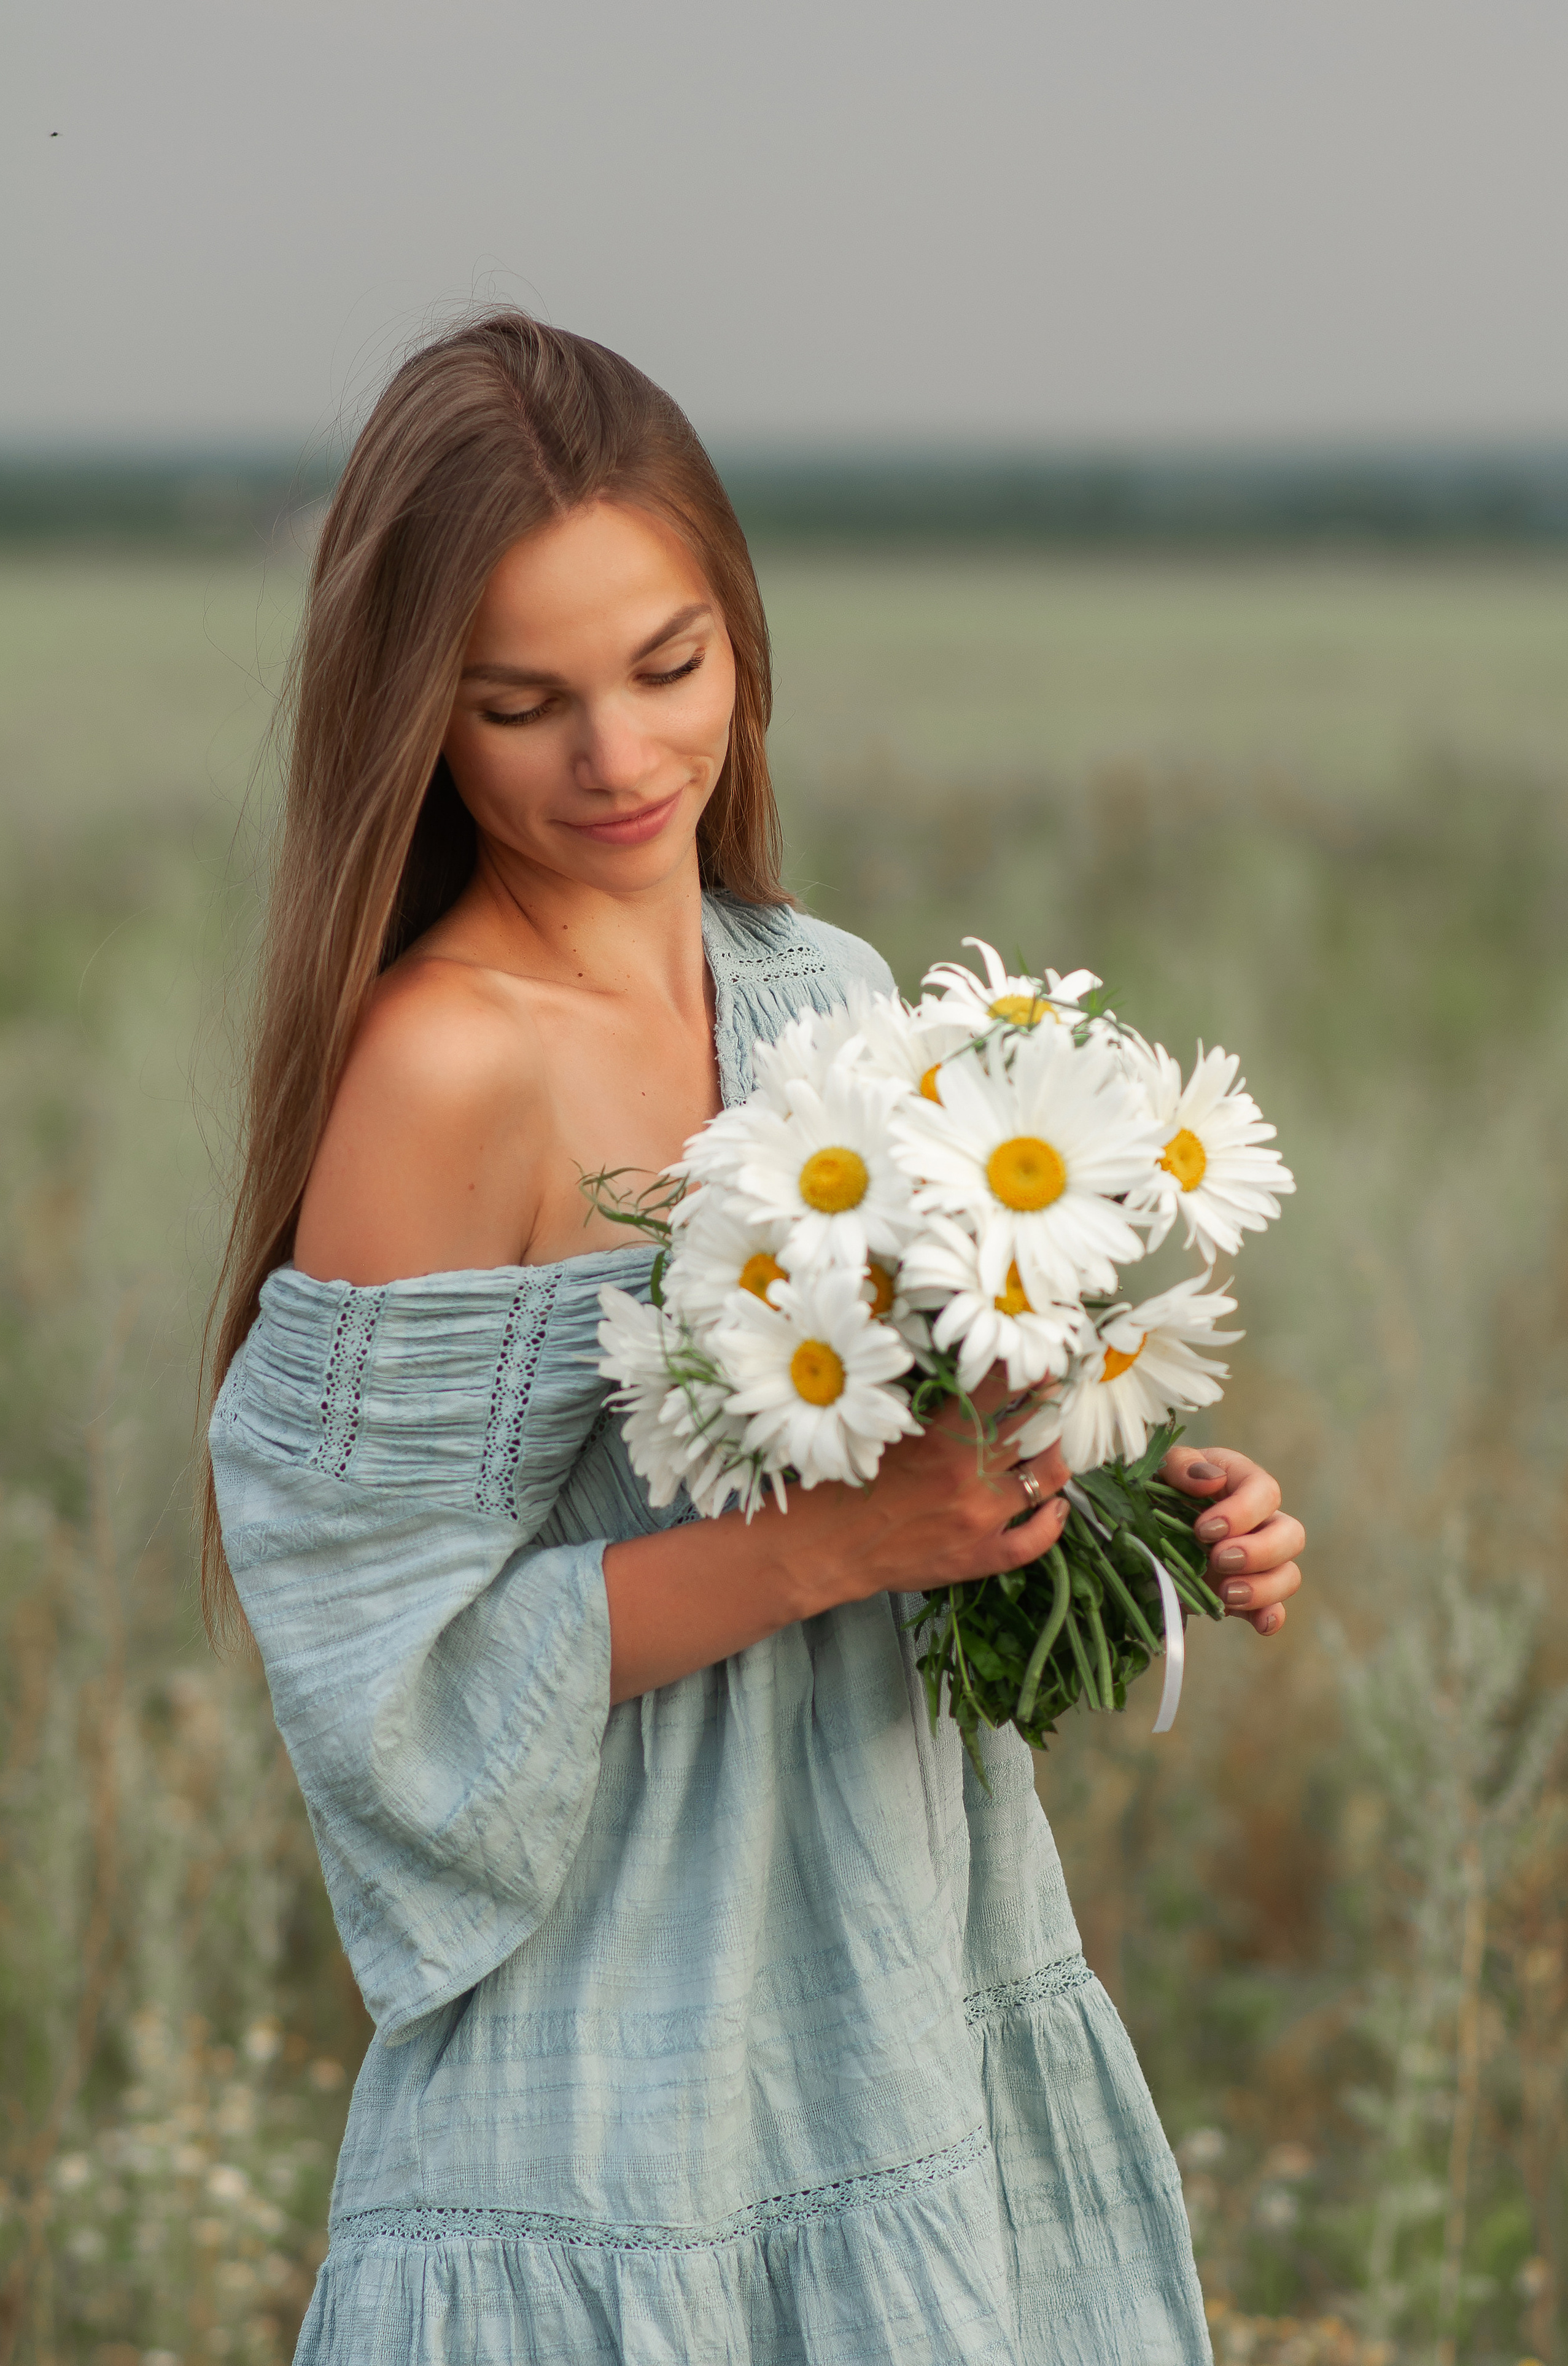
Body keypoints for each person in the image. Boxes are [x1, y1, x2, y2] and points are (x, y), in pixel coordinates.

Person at [204, 312, 1305, 2365]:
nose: (616, 761)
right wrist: (839, 1546)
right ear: (411, 717)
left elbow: (918, 1454)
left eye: (667, 668)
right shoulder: (446, 1070)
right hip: (610, 2086)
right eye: (518, 701)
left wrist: (1125, 1505)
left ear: (744, 639)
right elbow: (386, 1669)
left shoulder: (827, 995)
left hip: (906, 1990)